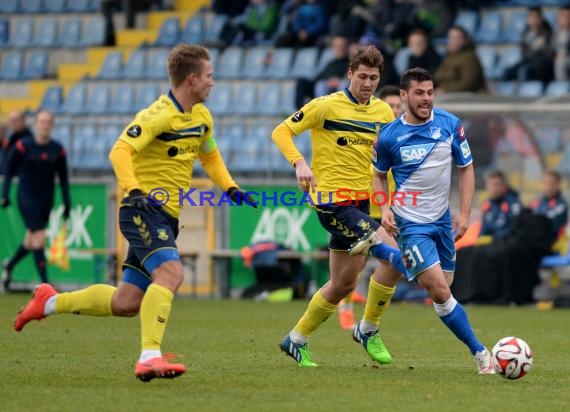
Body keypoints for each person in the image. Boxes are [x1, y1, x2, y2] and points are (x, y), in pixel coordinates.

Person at [12, 44, 257, 382]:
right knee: (171, 273)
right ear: (191, 79)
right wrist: (134, 189)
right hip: (142, 209)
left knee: (126, 302)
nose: (213, 83)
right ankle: (149, 356)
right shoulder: (157, 115)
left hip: (166, 216)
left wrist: (230, 187)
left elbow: (209, 155)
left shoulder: (202, 117)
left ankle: (49, 302)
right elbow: (120, 150)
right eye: (209, 76)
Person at [272, 45, 408, 367]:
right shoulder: (325, 106)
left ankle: (295, 339)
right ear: (349, 74)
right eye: (362, 76)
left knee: (343, 283)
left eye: (373, 78)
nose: (368, 83)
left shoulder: (382, 113)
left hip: (364, 205)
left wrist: (385, 206)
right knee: (394, 256)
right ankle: (368, 329)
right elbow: (281, 132)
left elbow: (383, 166)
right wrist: (299, 163)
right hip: (332, 202)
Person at [358, 67, 494, 374]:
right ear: (404, 96)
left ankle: (382, 251)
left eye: (430, 92)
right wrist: (385, 209)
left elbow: (467, 168)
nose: (426, 99)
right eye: (419, 93)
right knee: (439, 291)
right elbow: (379, 177)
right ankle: (481, 353)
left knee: (444, 287)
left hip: (442, 221)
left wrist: (464, 211)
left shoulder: (449, 125)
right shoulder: (390, 136)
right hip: (410, 224)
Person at [337, 83, 404, 329]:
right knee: (355, 264)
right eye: (390, 105)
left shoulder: (403, 135)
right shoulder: (368, 134)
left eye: (398, 106)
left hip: (393, 208)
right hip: (365, 205)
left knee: (394, 263)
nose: (394, 110)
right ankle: (345, 307)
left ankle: (370, 317)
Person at [1, 111, 70, 292]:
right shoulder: (23, 146)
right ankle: (45, 285)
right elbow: (8, 169)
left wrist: (66, 200)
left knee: (31, 241)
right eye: (41, 122)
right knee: (39, 236)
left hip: (46, 199)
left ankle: (9, 266)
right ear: (36, 124)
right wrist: (5, 194)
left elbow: (63, 177)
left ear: (52, 125)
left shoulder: (58, 149)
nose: (44, 125)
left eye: (48, 122)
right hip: (26, 197)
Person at [434, 26, 486, 93]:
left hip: (461, 98)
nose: (453, 41)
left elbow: (469, 83)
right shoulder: (449, 57)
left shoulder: (469, 58)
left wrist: (445, 90)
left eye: (457, 38)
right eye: (451, 38)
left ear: (465, 40)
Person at [529, 170, 568, 251]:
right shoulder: (535, 203)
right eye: (546, 183)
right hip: (535, 241)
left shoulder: (561, 204)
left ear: (558, 185)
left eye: (552, 183)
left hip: (552, 243)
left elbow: (550, 225)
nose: (549, 186)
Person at [479, 170, 521, 241]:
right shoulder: (487, 205)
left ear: (504, 186)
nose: (494, 189)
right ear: (486, 186)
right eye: (491, 185)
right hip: (491, 246)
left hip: (506, 245)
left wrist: (493, 239)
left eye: (497, 185)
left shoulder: (513, 203)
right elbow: (484, 228)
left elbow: (515, 230)